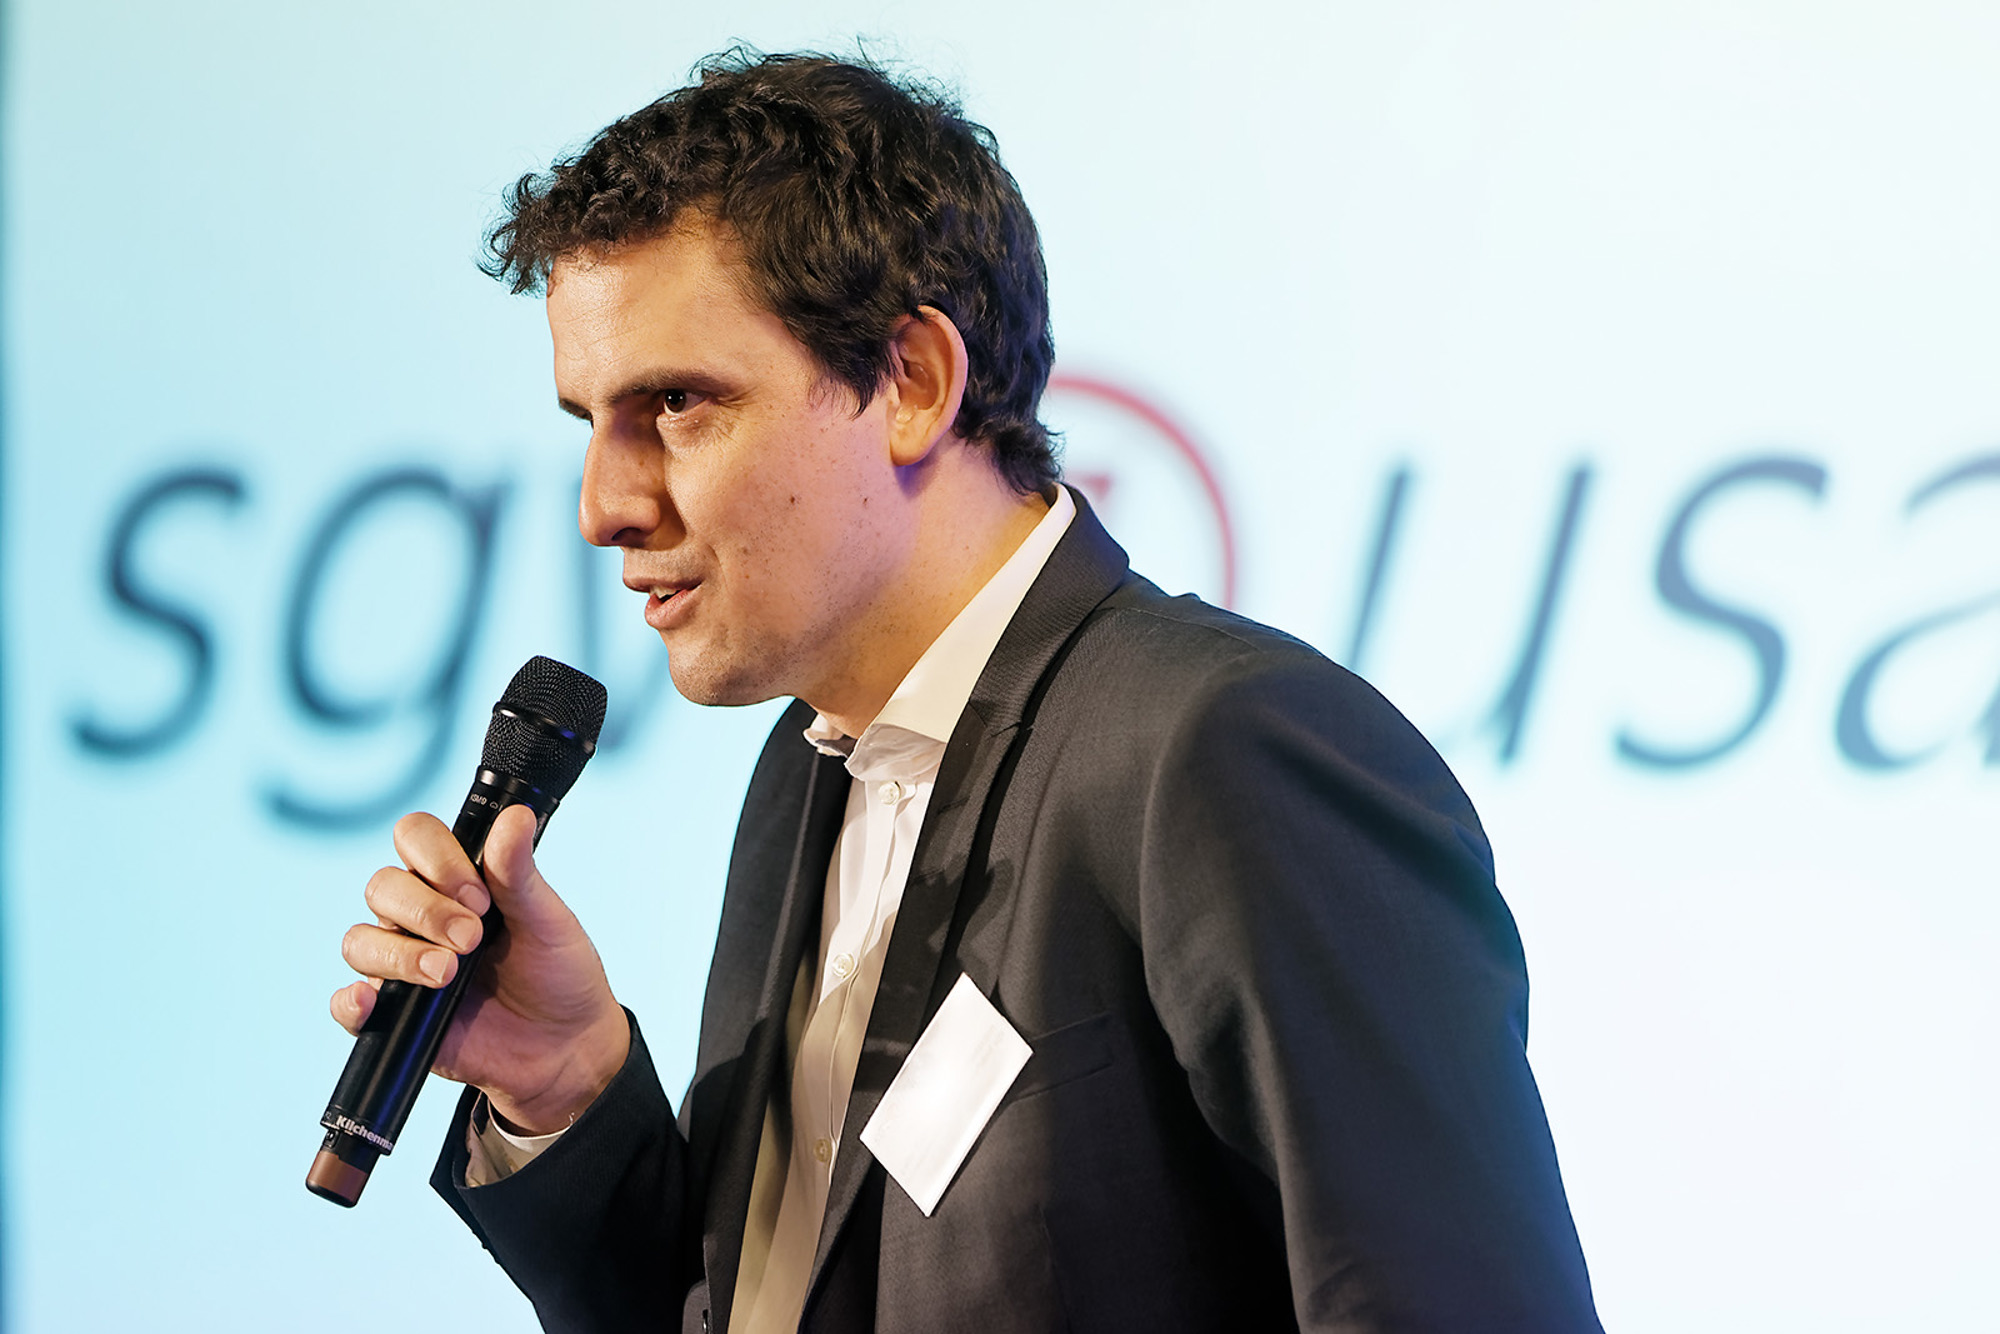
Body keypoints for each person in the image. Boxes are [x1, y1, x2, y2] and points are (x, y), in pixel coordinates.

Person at [331, 50, 1603, 1333]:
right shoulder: (799, 773)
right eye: (588, 421)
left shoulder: (1217, 750)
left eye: (676, 403)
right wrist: (564, 1084)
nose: (604, 504)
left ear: (914, 384)